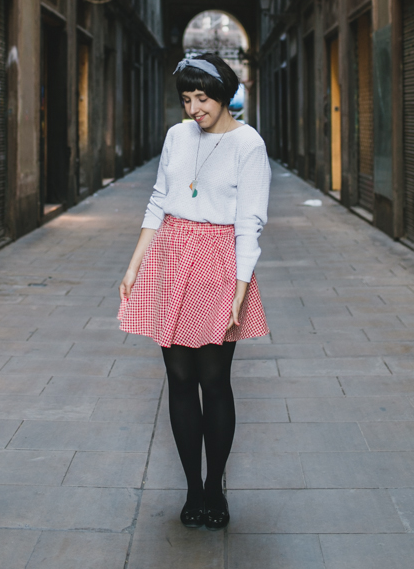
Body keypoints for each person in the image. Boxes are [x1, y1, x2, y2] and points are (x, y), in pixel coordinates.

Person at [118, 52, 271, 530]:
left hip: (218, 260)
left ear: (223, 94)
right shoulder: (176, 136)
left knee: (213, 379)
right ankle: (191, 489)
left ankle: (214, 489)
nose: (193, 109)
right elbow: (160, 199)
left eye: (202, 98)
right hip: (170, 255)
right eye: (186, 99)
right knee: (178, 377)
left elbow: (250, 221)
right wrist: (135, 261)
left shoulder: (248, 144)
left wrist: (241, 290)